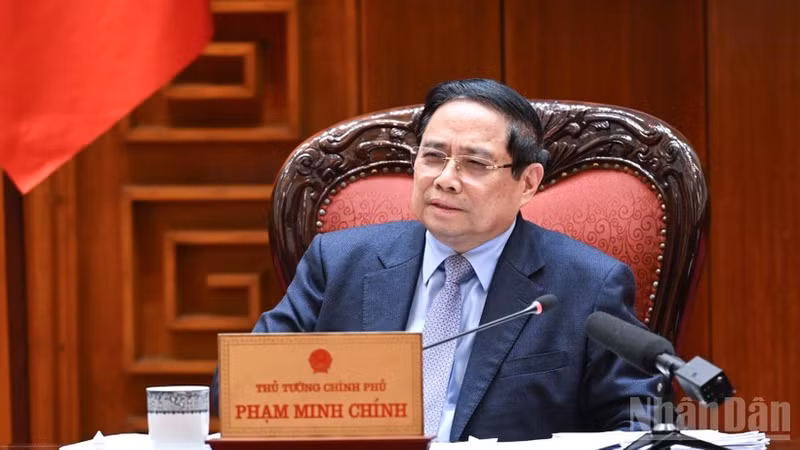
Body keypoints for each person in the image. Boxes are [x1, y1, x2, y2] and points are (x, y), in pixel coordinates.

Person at [212, 78, 659, 442]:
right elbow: (235, 390)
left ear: (528, 182)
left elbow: (643, 423)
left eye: (475, 164)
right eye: (432, 157)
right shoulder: (340, 262)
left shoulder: (587, 284)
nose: (445, 180)